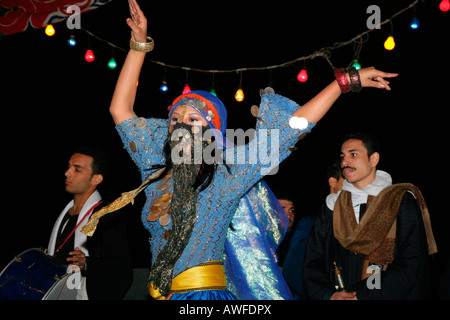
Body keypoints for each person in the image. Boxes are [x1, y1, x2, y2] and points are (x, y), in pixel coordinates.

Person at [85, 0, 397, 300]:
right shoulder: (154, 170)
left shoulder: (227, 172)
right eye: (176, 119)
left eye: (194, 119)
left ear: (212, 133)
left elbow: (292, 127)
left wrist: (344, 83)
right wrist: (138, 45)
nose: (181, 124)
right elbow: (120, 109)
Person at [303, 132, 438, 299]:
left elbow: (412, 262)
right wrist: (328, 295)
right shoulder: (331, 206)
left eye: (353, 154)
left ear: (373, 159)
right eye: (342, 156)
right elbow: (313, 262)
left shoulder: (399, 201)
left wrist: (361, 295)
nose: (345, 162)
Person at [47, 146, 133, 300]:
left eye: (77, 169)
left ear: (96, 179)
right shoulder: (64, 214)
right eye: (69, 167)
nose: (67, 173)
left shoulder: (107, 215)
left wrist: (87, 263)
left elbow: (121, 268)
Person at [283, 160, 343, 299]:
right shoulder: (311, 225)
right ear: (333, 182)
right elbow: (292, 271)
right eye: (347, 180)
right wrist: (326, 295)